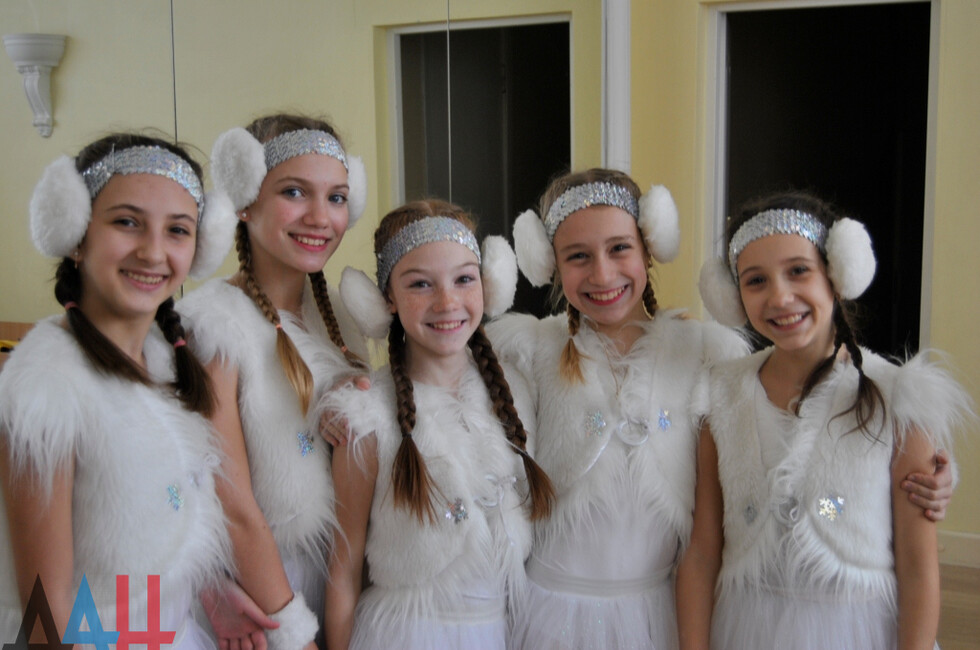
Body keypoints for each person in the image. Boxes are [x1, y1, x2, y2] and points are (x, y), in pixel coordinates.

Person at [678, 191, 972, 649]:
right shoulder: (719, 393)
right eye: (756, 281)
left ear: (837, 274)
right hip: (746, 628)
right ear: (733, 296)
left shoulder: (899, 397)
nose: (780, 296)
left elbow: (918, 568)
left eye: (799, 270)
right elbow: (702, 553)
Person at [484, 168, 747, 649]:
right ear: (550, 263)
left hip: (657, 617)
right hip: (549, 618)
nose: (602, 275)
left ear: (649, 247)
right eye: (578, 256)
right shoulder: (529, 352)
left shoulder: (704, 355)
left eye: (619, 248)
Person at [0, 133, 236, 649]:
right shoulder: (44, 385)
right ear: (76, 234)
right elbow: (43, 612)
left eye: (177, 230)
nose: (153, 251)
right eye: (127, 222)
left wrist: (216, 596)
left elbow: (155, 529)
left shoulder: (165, 359)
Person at [320, 200, 554, 649]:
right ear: (387, 299)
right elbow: (343, 570)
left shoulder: (518, 392)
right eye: (420, 284)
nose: (447, 303)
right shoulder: (366, 415)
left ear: (487, 283)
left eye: (464, 279)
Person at [176, 114, 369, 650]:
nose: (320, 217)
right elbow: (234, 507)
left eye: (336, 197)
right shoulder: (214, 325)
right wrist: (294, 634)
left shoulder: (340, 321)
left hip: (338, 581)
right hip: (260, 597)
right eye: (294, 192)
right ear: (245, 199)